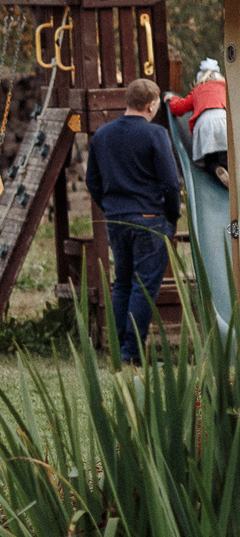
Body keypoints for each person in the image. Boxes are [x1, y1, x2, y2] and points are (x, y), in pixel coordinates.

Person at [87, 77, 182, 364]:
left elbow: (93, 181)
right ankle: (132, 352)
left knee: (123, 283)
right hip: (150, 218)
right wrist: (171, 216)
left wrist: (110, 207)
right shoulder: (156, 134)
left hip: (116, 219)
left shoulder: (102, 135)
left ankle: (119, 350)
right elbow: (171, 183)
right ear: (151, 105)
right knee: (144, 286)